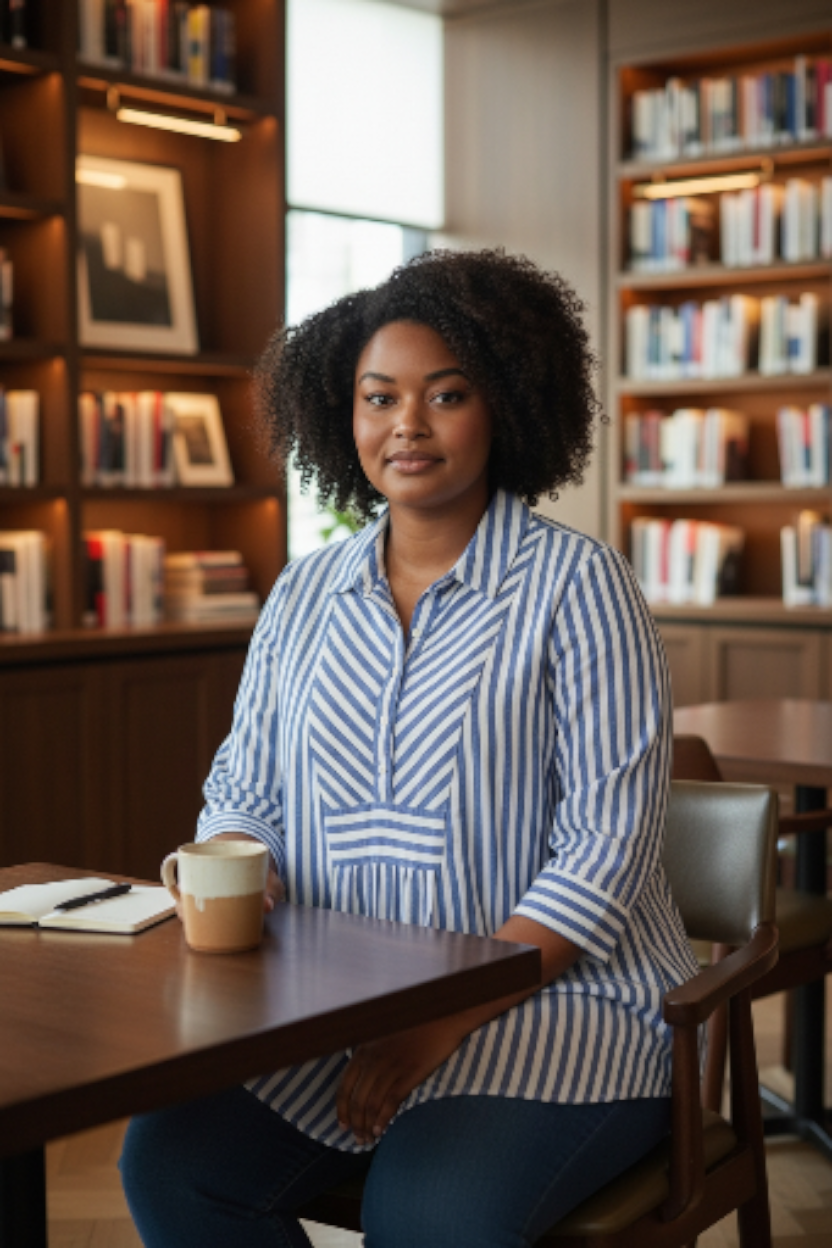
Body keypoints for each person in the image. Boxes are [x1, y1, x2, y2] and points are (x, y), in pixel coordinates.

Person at [121, 249, 699, 1248]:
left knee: (428, 1217)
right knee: (170, 1165)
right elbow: (244, 784)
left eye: (446, 394)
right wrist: (225, 865)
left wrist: (437, 1022)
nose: (407, 426)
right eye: (378, 397)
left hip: (557, 1008)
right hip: (333, 1009)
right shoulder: (305, 592)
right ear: (341, 417)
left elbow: (606, 853)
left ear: (508, 406)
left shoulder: (579, 587)